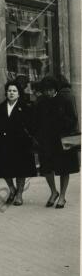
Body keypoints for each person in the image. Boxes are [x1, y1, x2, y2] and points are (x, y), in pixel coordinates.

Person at [0, 80, 37, 206]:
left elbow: (32, 124)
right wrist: (1, 133)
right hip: (5, 143)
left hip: (22, 144)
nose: (11, 93)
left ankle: (19, 194)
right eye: (9, 90)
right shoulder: (0, 108)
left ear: (19, 93)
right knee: (5, 169)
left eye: (14, 91)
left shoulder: (25, 108)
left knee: (21, 169)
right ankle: (11, 189)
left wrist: (27, 135)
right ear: (6, 92)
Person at [50, 76, 80, 208]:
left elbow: (71, 118)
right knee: (64, 169)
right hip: (65, 138)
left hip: (63, 138)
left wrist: (59, 119)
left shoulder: (63, 96)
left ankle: (61, 197)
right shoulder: (69, 94)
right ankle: (61, 196)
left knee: (64, 168)